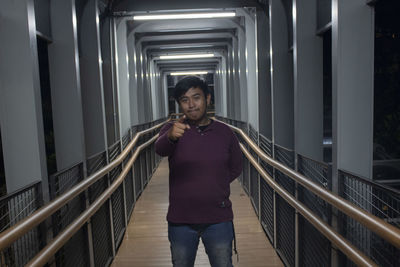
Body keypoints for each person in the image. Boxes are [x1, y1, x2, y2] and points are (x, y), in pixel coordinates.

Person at [155, 76, 243, 267]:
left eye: (197, 97)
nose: (191, 104)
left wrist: (214, 182)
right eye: (185, 100)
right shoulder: (173, 129)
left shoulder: (224, 132)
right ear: (179, 104)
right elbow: (159, 149)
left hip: (218, 219)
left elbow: (237, 165)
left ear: (208, 99)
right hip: (181, 221)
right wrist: (170, 137)